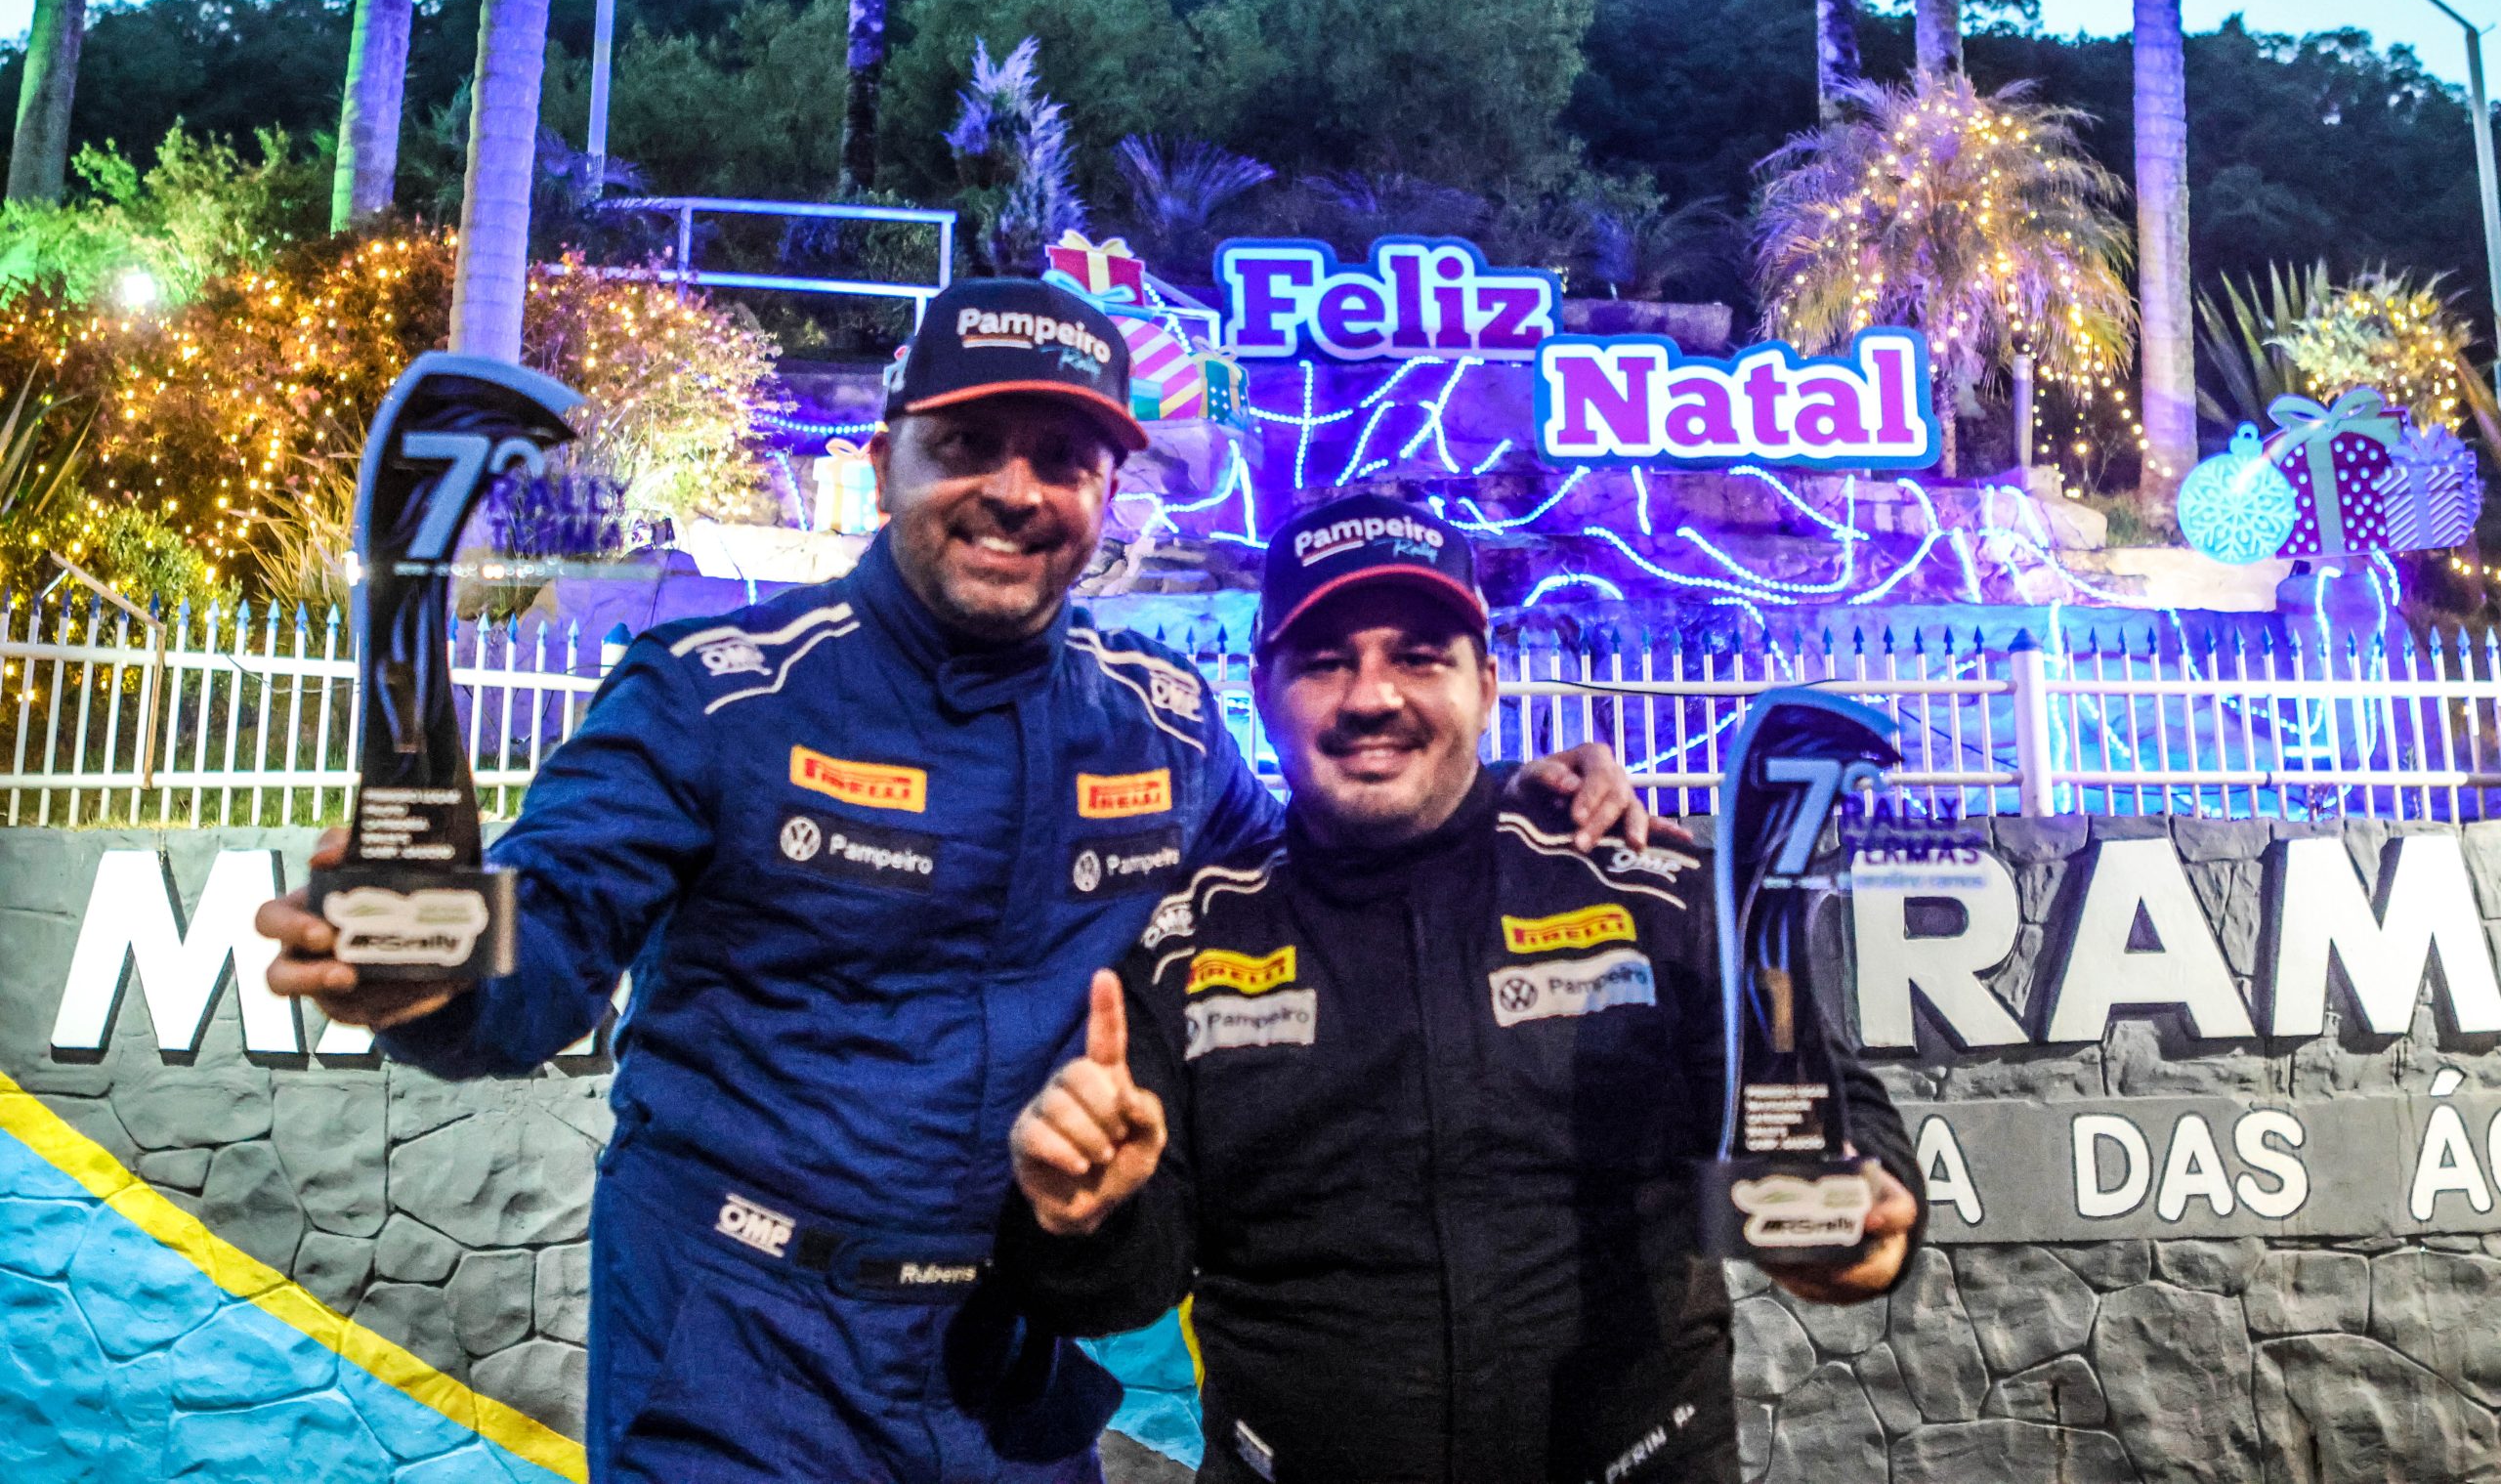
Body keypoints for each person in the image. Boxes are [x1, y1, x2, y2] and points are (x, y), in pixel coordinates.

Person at [254, 282, 1648, 1484]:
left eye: (1064, 458)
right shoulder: (715, 692)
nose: (1016, 490)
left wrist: (1497, 807)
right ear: (884, 466)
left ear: (1107, 496)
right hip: (738, 1347)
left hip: (1008, 1365)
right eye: (967, 445)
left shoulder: (1159, 725)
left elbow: (1307, 882)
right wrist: (438, 963)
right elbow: (548, 936)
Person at [999, 490, 1926, 1484]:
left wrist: (1864, 1225)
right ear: (1263, 692)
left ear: (1486, 685)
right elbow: (1112, 1290)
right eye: (1324, 661)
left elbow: (1842, 1130)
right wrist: (1078, 1217)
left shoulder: (1650, 893)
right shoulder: (1188, 940)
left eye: (1418, 657)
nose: (1370, 696)